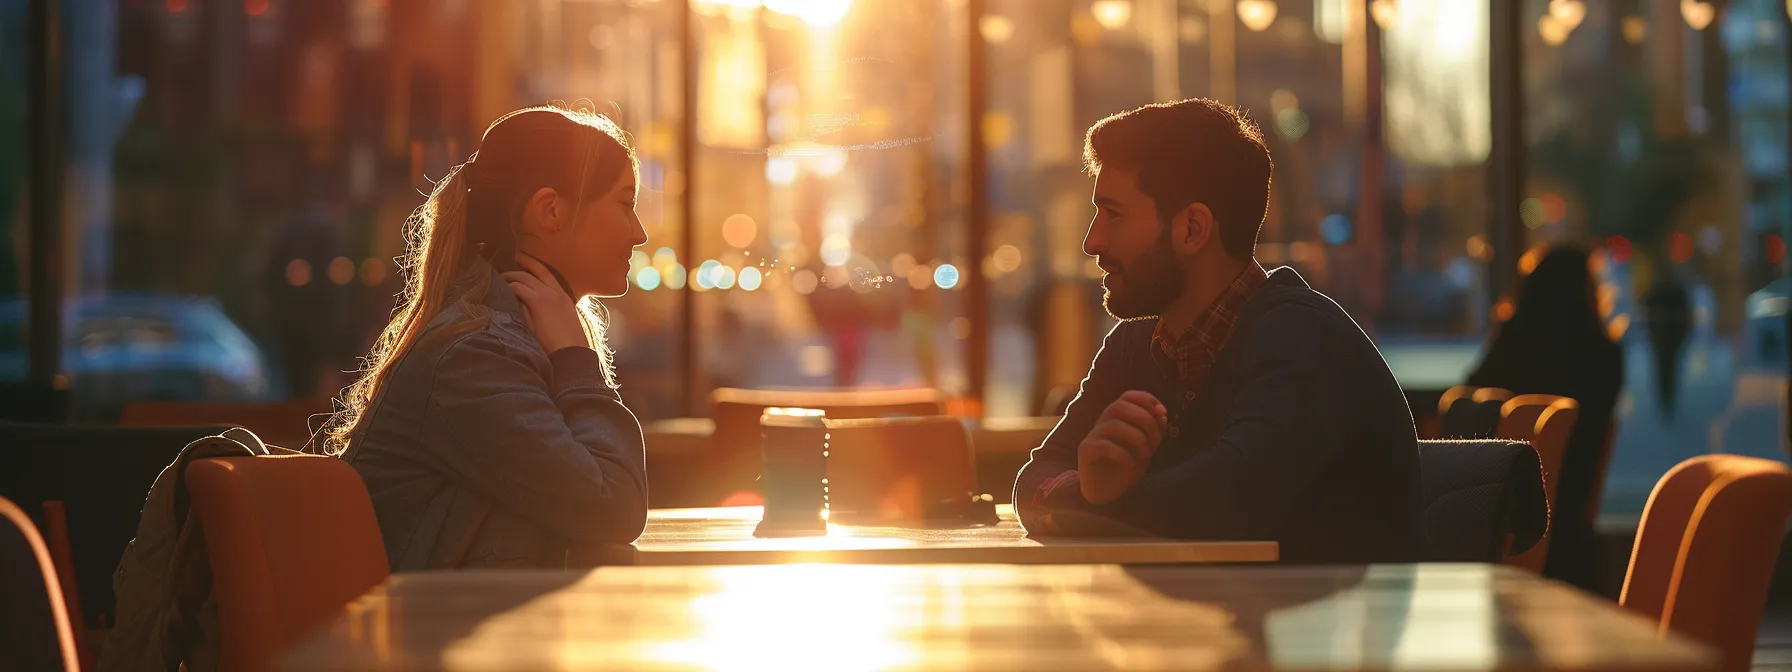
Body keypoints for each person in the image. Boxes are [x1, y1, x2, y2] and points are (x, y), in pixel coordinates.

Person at [1012, 99, 1425, 563]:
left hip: (1325, 632)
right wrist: (1090, 493)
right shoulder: (1135, 346)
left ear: (1191, 229)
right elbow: (1033, 483)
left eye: (1114, 214)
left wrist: (1096, 499)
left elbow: (1227, 503)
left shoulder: (1302, 340)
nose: (1093, 241)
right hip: (1213, 624)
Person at [324, 106, 651, 570]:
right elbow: (612, 506)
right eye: (625, 203)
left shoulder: (498, 339)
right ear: (550, 211)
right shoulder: (475, 354)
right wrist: (578, 361)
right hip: (422, 637)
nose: (639, 233)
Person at [1467, 244, 1624, 589]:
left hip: (1500, 508)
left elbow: (1472, 402)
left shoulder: (1512, 343)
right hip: (1569, 518)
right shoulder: (1605, 356)